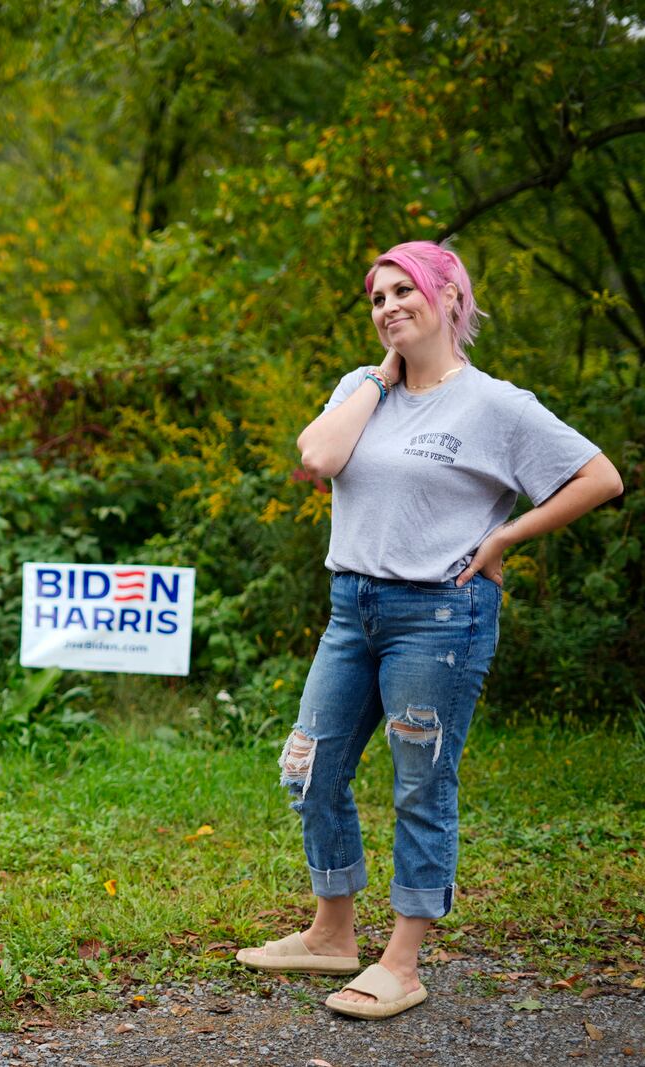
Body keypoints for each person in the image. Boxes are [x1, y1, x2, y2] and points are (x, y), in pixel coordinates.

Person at [235, 240, 623, 1020]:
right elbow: (319, 454)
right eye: (377, 298)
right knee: (309, 767)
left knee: (420, 783)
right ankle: (332, 933)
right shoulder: (362, 387)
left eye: (403, 291)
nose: (388, 308)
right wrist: (383, 377)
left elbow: (600, 476)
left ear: (450, 297)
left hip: (440, 617)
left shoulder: (496, 405)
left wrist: (507, 536)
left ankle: (402, 961)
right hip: (354, 607)